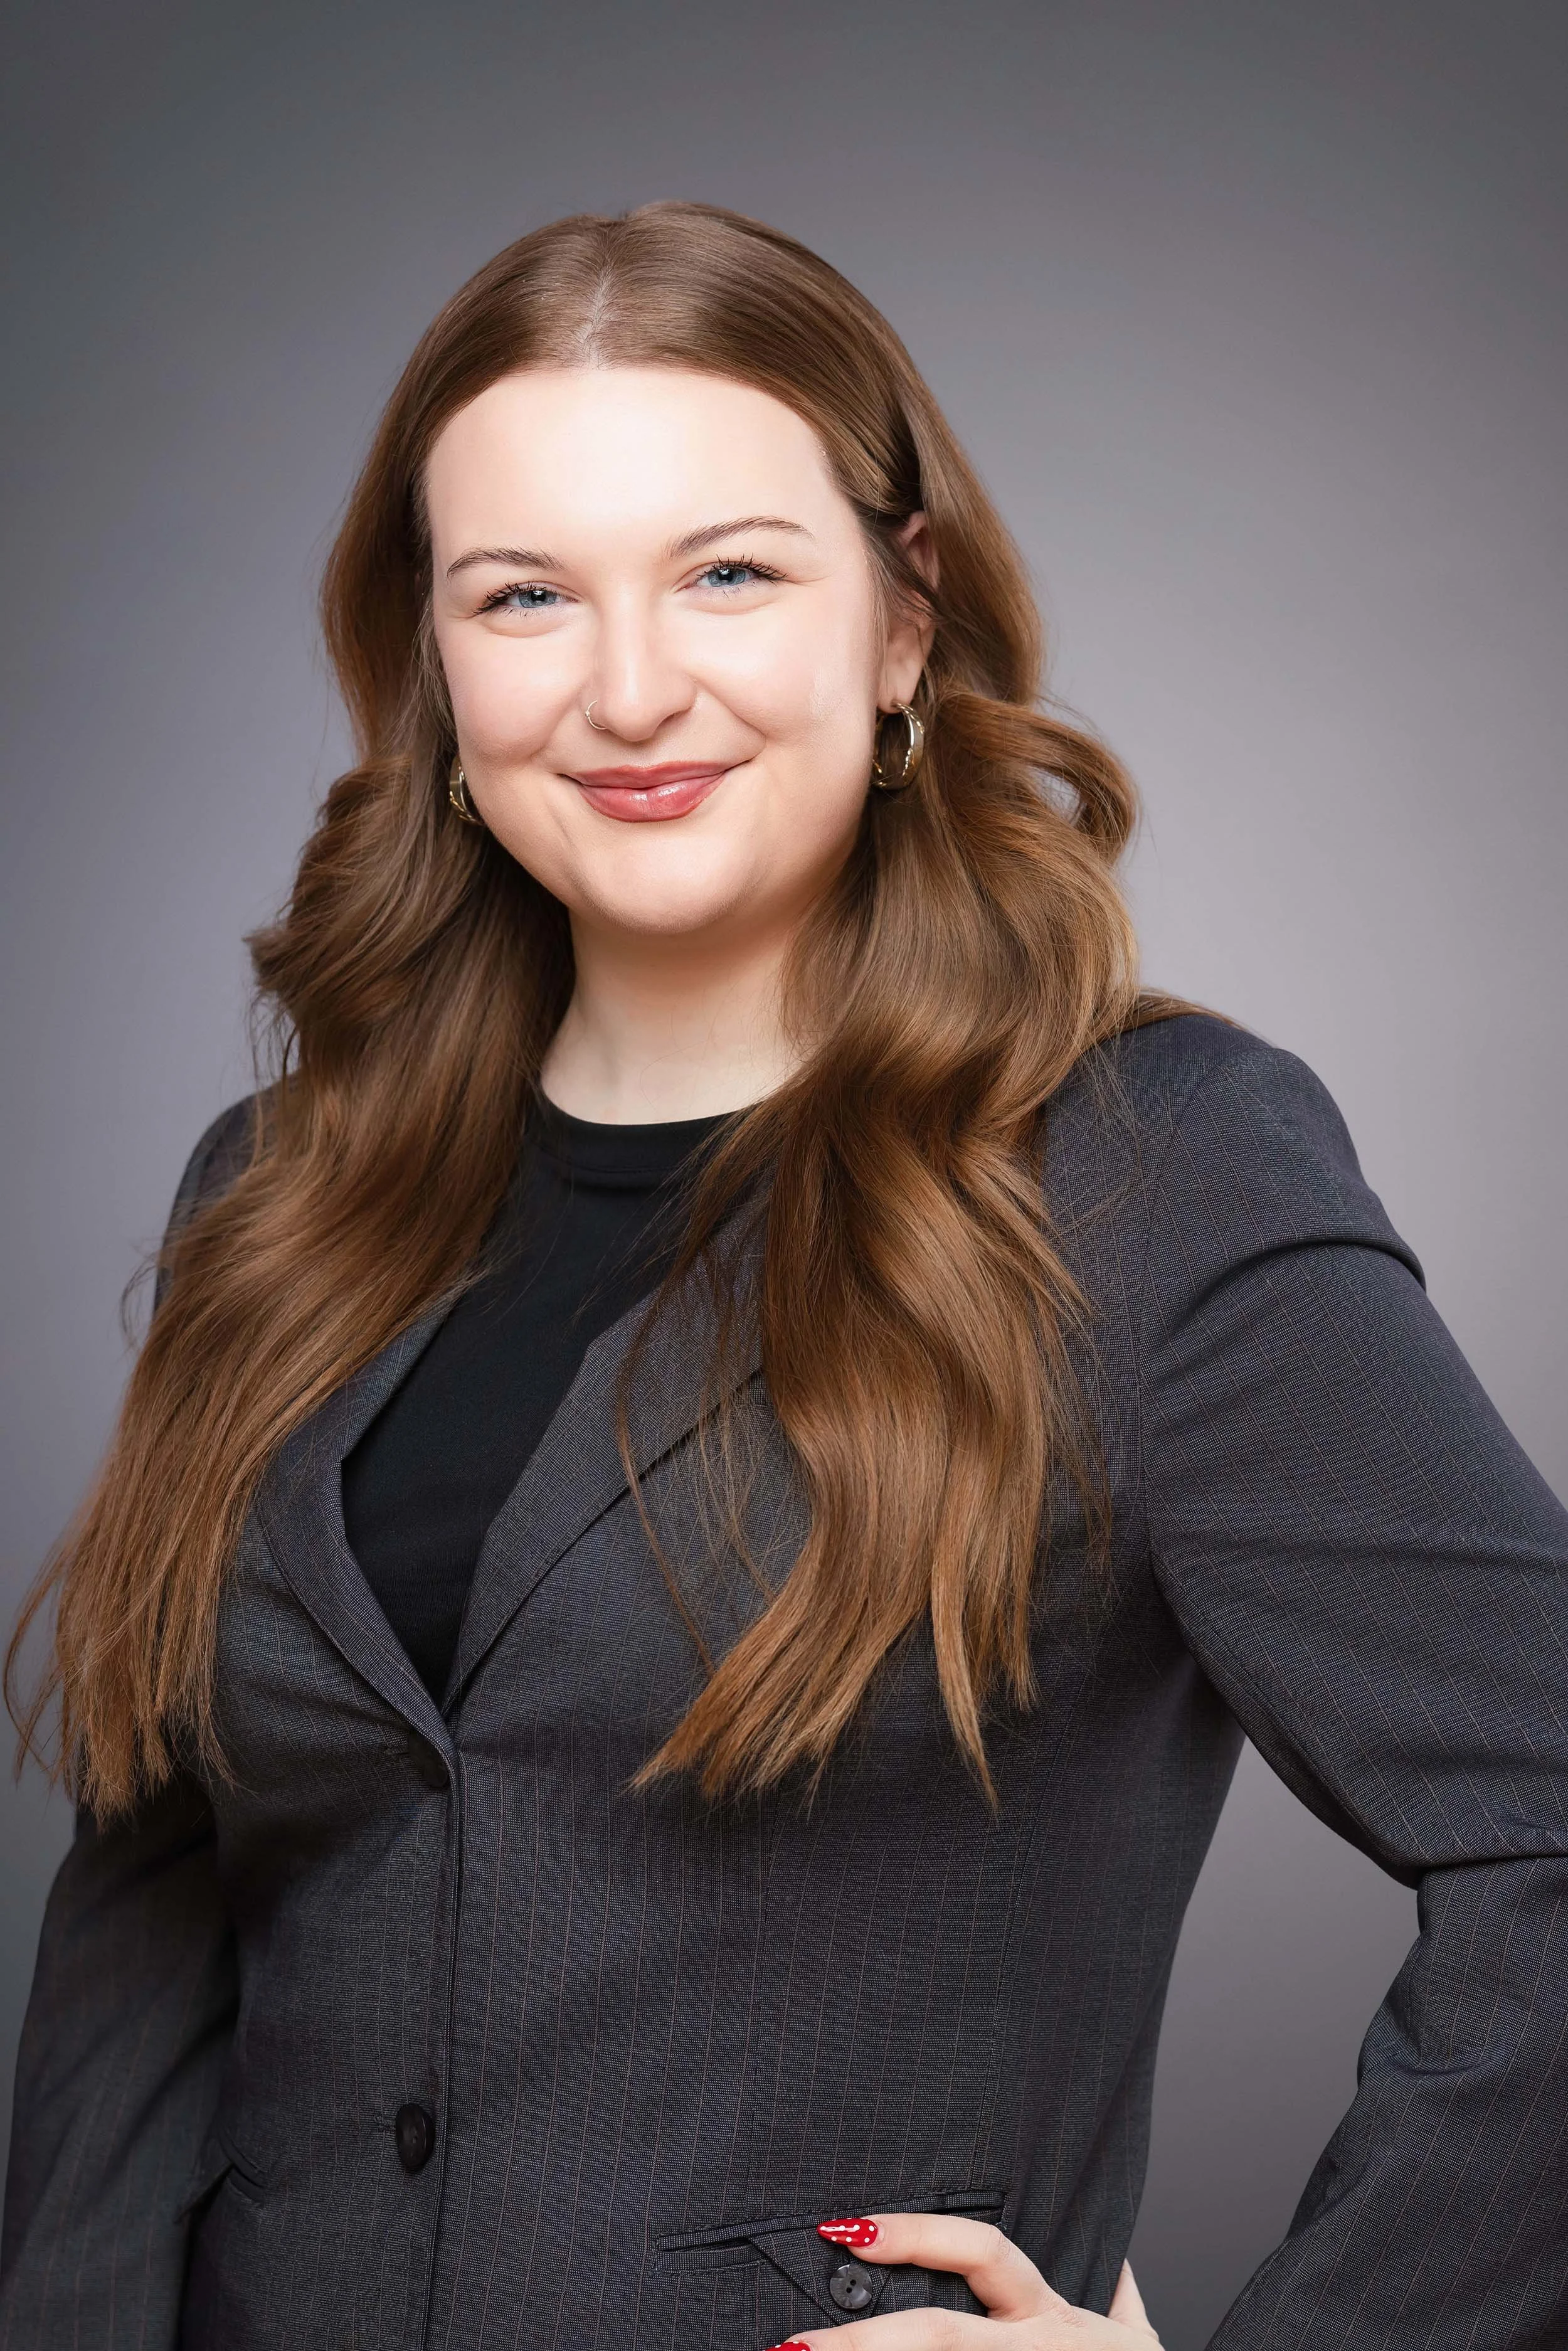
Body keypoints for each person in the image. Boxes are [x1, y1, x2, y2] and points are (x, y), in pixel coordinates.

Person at [3, 200, 1565, 2351]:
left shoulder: (1146, 1171)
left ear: (901, 618)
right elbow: (152, 1921)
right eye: (525, 595)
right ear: (440, 668)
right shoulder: (276, 1191)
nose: (628, 684)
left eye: (728, 570)